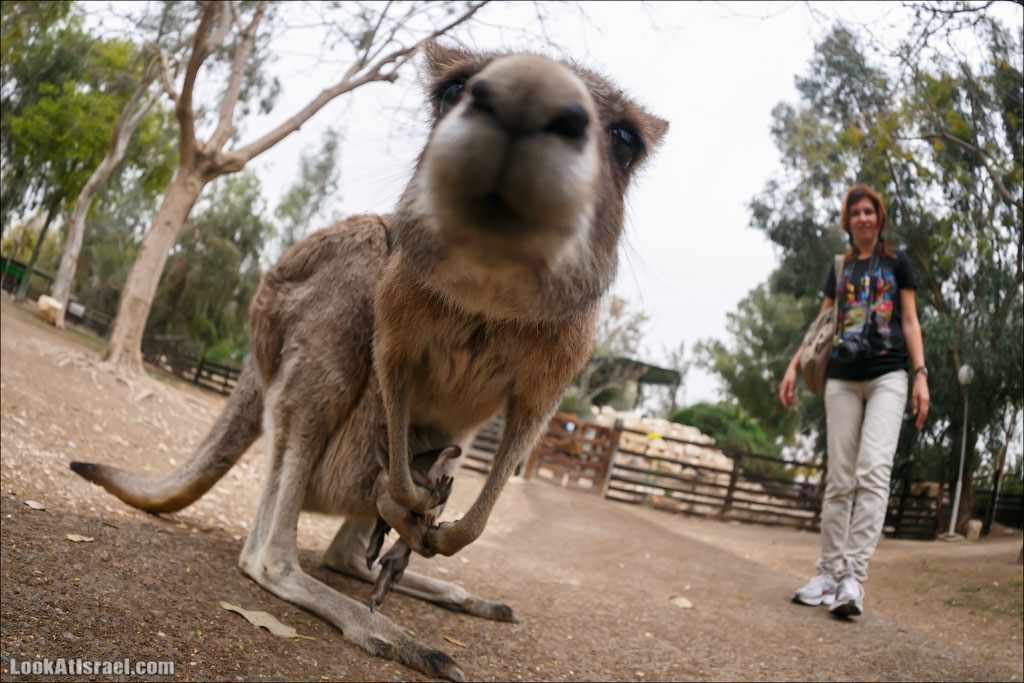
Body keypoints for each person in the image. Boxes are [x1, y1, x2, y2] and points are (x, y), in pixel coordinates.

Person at [778, 184, 929, 618]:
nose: (863, 218)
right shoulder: (841, 268)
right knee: (840, 478)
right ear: (847, 222)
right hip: (841, 379)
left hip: (888, 375)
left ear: (879, 217)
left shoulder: (897, 262)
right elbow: (822, 323)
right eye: (855, 213)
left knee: (873, 471)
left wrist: (920, 376)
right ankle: (827, 574)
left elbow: (910, 321)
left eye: (869, 211)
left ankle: (852, 579)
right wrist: (793, 366)